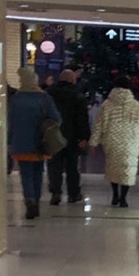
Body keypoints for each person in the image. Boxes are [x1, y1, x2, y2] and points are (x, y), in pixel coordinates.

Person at [6, 68, 62, 220]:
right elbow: (57, 119)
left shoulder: (16, 99)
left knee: (26, 173)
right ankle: (36, 200)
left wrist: (9, 141)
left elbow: (10, 122)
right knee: (38, 172)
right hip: (41, 141)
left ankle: (29, 199)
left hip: (21, 142)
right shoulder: (45, 98)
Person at [95, 85, 139, 208]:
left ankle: (115, 194)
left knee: (113, 167)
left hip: (111, 140)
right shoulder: (136, 105)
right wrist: (136, 134)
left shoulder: (107, 105)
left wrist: (94, 141)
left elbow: (99, 124)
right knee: (127, 169)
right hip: (130, 141)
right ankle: (123, 197)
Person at [45, 68, 91, 206]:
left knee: (54, 165)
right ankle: (73, 194)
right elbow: (82, 118)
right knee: (72, 166)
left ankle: (55, 192)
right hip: (73, 136)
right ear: (72, 80)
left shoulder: (49, 93)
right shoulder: (78, 95)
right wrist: (85, 136)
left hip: (54, 134)